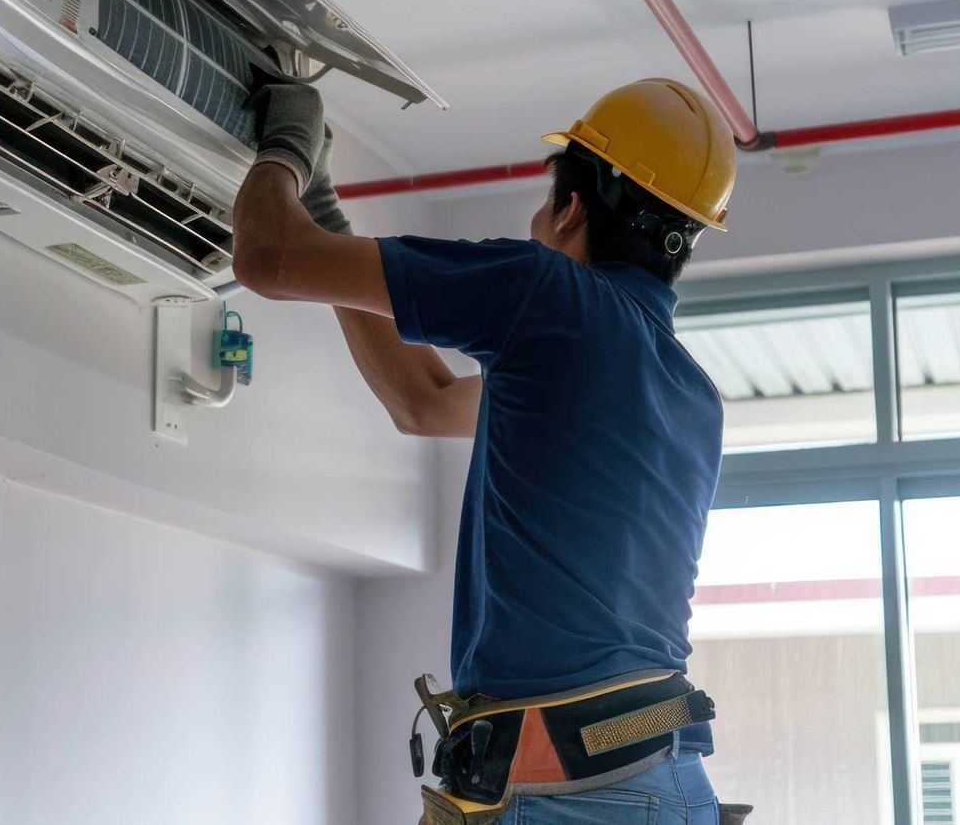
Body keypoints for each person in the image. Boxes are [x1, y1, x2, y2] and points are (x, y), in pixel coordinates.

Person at [231, 79, 739, 825]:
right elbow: (423, 401)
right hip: (668, 784)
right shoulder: (692, 395)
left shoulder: (547, 295)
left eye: (544, 205)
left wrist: (289, 140)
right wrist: (323, 208)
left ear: (570, 208)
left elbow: (268, 258)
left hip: (570, 793)